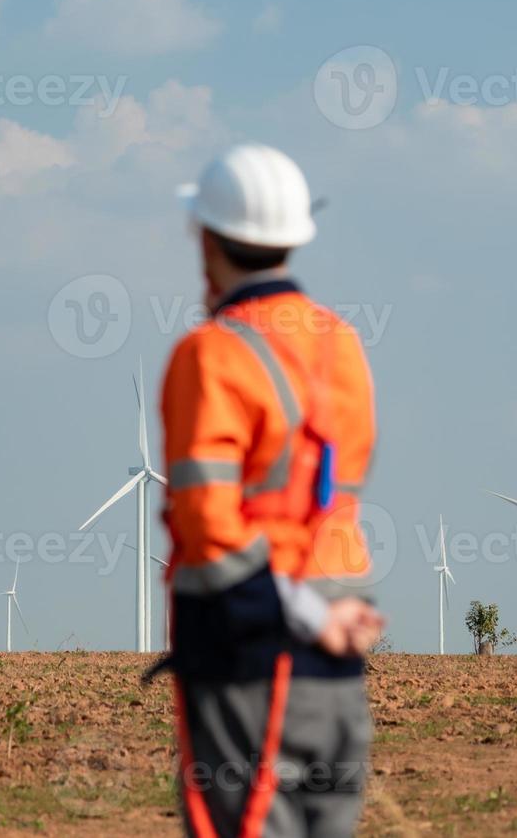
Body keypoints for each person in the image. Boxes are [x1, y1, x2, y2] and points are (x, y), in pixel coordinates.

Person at [160, 143, 385, 838]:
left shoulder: (213, 353)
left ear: (207, 240)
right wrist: (328, 619)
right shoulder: (341, 343)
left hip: (250, 661)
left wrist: (303, 618)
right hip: (341, 665)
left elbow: (209, 523)